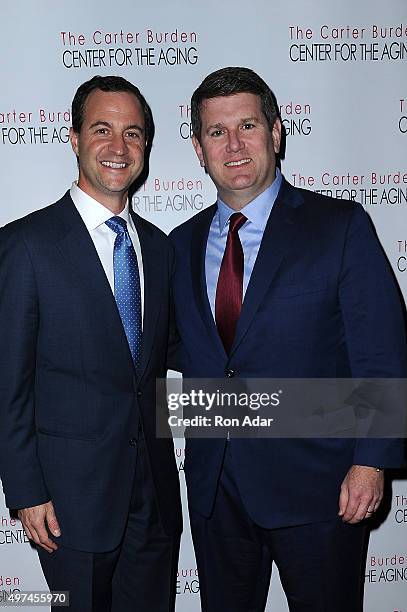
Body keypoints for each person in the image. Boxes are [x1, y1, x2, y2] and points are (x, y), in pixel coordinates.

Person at [169, 66, 406, 611]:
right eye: (215, 132)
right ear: (199, 148)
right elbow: (180, 349)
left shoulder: (339, 226)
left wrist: (371, 461)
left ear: (276, 133)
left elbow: (381, 353)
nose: (234, 144)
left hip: (321, 488)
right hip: (215, 491)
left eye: (247, 125)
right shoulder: (179, 245)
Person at [0, 75, 181, 612]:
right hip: (68, 504)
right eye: (102, 130)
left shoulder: (160, 248)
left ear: (146, 146)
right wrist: (27, 491)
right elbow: (9, 384)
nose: (118, 148)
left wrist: (315, 404)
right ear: (75, 138)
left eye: (133, 133)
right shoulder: (25, 246)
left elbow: (169, 357)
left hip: (153, 498)